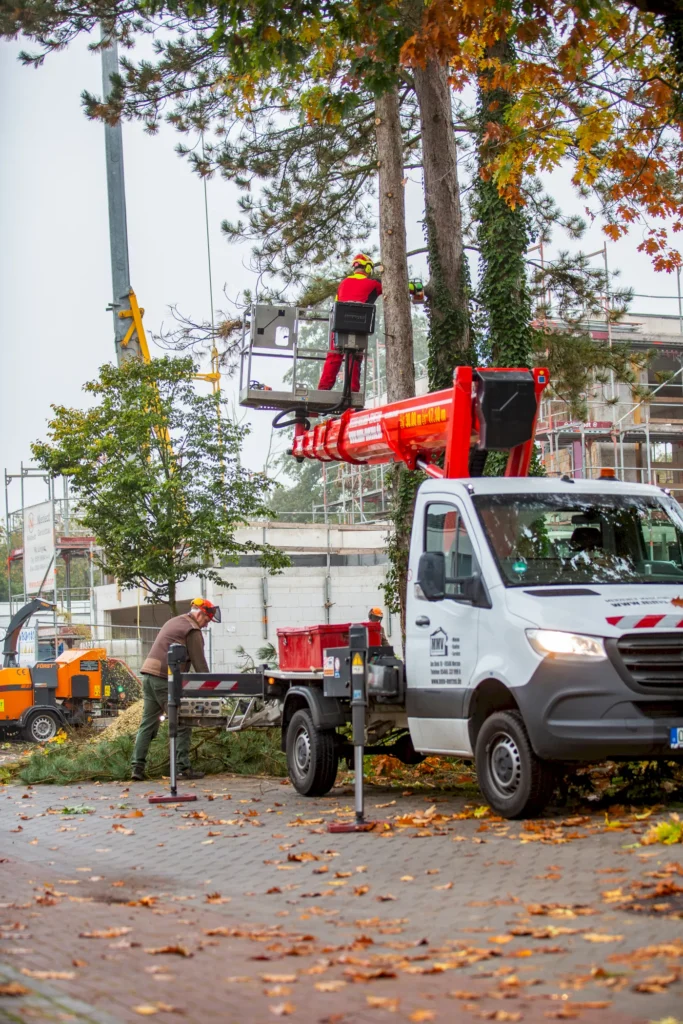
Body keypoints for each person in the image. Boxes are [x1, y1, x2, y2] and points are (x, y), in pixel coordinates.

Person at [130, 598, 221, 781]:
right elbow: (200, 665)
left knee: (148, 724)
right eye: (206, 621)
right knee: (181, 722)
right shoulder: (192, 629)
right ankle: (182, 768)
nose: (205, 626)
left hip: (148, 676)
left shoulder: (175, 621)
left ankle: (137, 768)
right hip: (165, 679)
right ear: (200, 613)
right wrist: (214, 690)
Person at [318, 254, 382, 392]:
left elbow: (336, 304)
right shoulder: (374, 285)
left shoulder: (343, 283)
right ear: (368, 267)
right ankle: (352, 391)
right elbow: (393, 288)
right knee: (355, 357)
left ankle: (323, 390)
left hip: (338, 327)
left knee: (334, 357)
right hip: (359, 327)